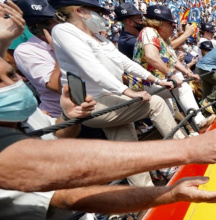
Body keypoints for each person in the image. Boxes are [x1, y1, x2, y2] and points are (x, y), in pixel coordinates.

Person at [0, 54, 216, 220]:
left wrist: (69, 119)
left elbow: (54, 141)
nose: (11, 86)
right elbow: (70, 191)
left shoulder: (26, 114)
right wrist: (187, 150)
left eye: (10, 74)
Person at [49, 0, 185, 187]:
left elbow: (126, 63)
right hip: (90, 103)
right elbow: (92, 68)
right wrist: (128, 92)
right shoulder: (63, 30)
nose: (102, 17)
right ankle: (183, 155)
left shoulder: (100, 38)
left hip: (109, 100)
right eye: (96, 11)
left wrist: (157, 80)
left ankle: (144, 193)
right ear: (79, 11)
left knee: (127, 146)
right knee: (155, 103)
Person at [130, 5, 215, 131]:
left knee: (168, 112)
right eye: (171, 24)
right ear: (160, 24)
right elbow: (151, 56)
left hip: (157, 81)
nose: (174, 27)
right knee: (182, 88)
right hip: (144, 83)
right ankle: (199, 121)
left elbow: (172, 60)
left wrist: (188, 73)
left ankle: (183, 136)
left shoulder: (163, 38)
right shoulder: (149, 31)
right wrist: (171, 75)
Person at [13, 0, 62, 117]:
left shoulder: (72, 39)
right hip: (61, 118)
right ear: (39, 29)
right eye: (55, 22)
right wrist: (61, 53)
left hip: (95, 110)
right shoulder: (26, 51)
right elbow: (56, 86)